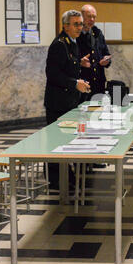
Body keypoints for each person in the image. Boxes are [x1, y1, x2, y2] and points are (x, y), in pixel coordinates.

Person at [44, 10, 90, 189]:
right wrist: (74, 83)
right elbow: (53, 74)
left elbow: (66, 65)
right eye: (76, 24)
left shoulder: (72, 43)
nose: (80, 27)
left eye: (81, 24)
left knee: (67, 140)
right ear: (65, 26)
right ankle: (56, 181)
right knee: (56, 141)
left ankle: (66, 177)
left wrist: (79, 64)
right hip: (58, 101)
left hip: (69, 100)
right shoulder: (59, 44)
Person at [77, 4, 111, 102]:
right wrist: (80, 62)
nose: (92, 19)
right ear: (81, 17)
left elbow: (106, 53)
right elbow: (68, 60)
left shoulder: (97, 33)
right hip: (83, 84)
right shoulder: (75, 35)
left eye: (94, 17)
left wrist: (106, 60)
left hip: (99, 84)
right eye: (89, 16)